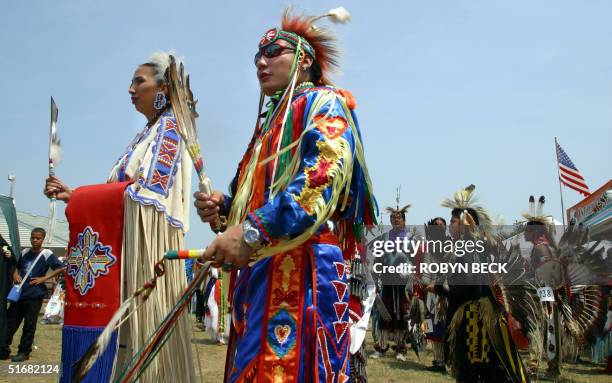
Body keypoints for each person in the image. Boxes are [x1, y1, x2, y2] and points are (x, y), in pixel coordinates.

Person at [195, 7, 377, 382]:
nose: (261, 62)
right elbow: (255, 202)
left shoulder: (323, 103)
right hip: (261, 268)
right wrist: (226, 211)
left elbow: (320, 180)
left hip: (305, 270)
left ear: (304, 60)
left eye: (272, 52)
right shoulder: (268, 127)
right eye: (256, 57)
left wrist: (249, 230)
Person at [44, 52, 195, 382]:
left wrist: (84, 196)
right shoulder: (147, 133)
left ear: (164, 89)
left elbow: (149, 193)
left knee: (135, 346)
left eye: (139, 81)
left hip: (141, 257)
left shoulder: (169, 130)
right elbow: (122, 190)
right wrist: (74, 195)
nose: (130, 89)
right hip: (124, 251)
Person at [428, 185, 530, 383]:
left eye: (453, 221)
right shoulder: (475, 245)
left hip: (473, 319)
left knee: (474, 369)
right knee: (486, 368)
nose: (450, 225)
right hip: (480, 316)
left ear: (466, 223)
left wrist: (440, 288)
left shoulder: (469, 248)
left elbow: (468, 286)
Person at [1, 228, 65, 362]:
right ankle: (4, 349)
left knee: (29, 325)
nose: (34, 240)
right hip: (20, 293)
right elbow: (16, 267)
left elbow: (61, 267)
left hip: (34, 295)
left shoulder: (46, 254)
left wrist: (44, 278)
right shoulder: (25, 252)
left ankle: (24, 351)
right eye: (33, 237)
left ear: (43, 239)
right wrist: (15, 274)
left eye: (38, 238)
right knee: (10, 321)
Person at [370, 200, 412, 361]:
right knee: (384, 315)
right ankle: (381, 347)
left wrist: (410, 284)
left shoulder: (410, 239)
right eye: (393, 218)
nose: (396, 220)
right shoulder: (384, 239)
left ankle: (400, 349)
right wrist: (375, 281)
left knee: (402, 315)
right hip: (387, 283)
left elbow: (415, 262)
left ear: (404, 220)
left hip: (403, 285)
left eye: (398, 218)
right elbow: (378, 261)